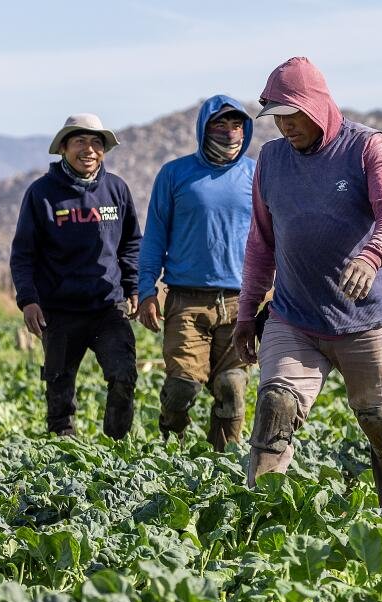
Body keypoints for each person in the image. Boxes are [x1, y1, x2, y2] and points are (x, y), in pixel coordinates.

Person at [233, 58, 382, 508]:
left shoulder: (368, 148)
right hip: (294, 318)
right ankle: (261, 515)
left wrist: (372, 257)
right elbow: (261, 242)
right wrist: (244, 312)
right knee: (276, 406)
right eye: (277, 118)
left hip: (363, 321)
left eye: (293, 116)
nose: (285, 127)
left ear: (317, 107)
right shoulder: (271, 160)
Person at [10, 113, 142, 439]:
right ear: (64, 147)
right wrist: (29, 300)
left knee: (124, 375)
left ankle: (115, 444)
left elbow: (131, 244)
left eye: (97, 143)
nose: (89, 149)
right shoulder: (42, 193)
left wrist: (134, 286)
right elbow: (23, 254)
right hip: (60, 310)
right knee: (59, 389)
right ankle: (65, 455)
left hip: (108, 307)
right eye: (80, 141)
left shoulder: (117, 190)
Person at [136, 95, 255, 450]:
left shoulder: (255, 174)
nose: (229, 132)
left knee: (232, 387)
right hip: (187, 301)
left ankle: (222, 461)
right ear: (204, 128)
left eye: (236, 125)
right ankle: (173, 448)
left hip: (240, 301)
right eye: (220, 124)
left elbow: (274, 236)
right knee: (181, 387)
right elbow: (154, 236)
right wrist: (146, 291)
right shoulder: (175, 174)